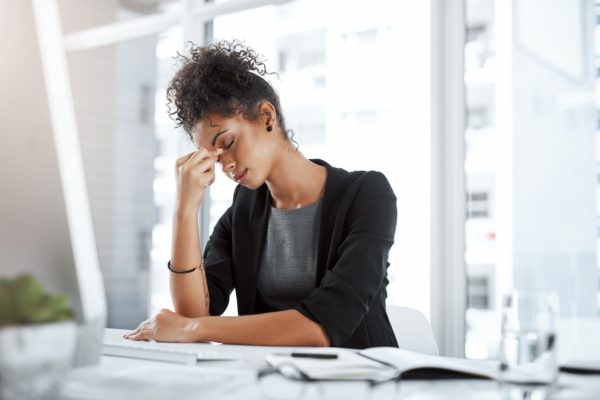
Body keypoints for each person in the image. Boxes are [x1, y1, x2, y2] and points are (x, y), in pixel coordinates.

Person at [125, 40, 398, 349]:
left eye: (226, 143)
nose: (225, 165)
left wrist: (191, 328)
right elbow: (196, 312)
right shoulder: (243, 211)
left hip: (366, 384)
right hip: (272, 382)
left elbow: (323, 326)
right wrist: (184, 211)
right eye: (214, 157)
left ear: (267, 117)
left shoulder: (368, 195)